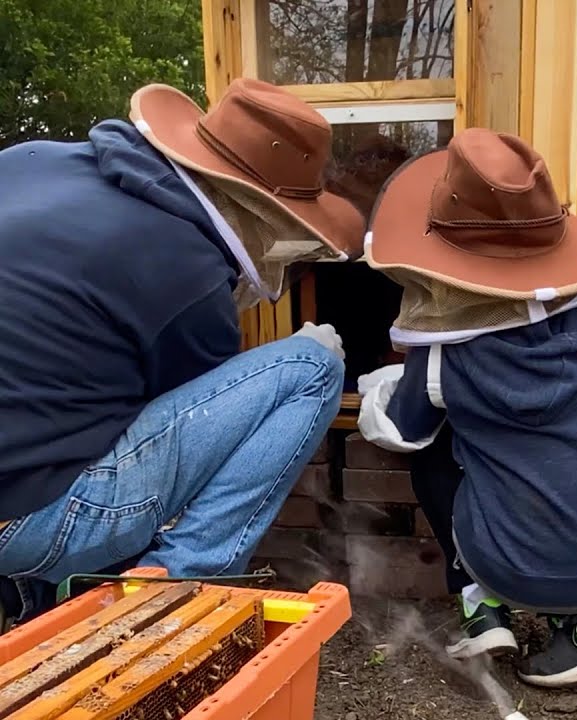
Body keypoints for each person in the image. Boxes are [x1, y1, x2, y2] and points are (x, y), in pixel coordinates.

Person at [0, 78, 363, 628]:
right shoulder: (188, 277)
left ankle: (33, 603)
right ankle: (176, 591)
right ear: (259, 210)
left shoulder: (33, 161)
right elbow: (181, 440)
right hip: (29, 520)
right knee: (311, 366)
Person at [357, 128, 577, 689]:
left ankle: (480, 603)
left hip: (508, 564)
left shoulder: (445, 348)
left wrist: (378, 385)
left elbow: (400, 430)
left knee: (435, 449)